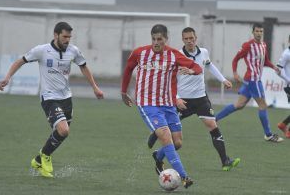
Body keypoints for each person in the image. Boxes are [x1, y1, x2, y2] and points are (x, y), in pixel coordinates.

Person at [0, 22, 104, 178]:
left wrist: (95, 87)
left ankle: (38, 159)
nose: (67, 40)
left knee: (62, 133)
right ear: (56, 35)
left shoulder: (73, 51)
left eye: (69, 37)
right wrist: (7, 77)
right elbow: (20, 60)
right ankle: (46, 157)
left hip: (66, 97)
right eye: (64, 36)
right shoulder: (42, 50)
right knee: (63, 130)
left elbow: (83, 66)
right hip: (49, 97)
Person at [147, 27, 240, 171]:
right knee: (171, 134)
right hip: (182, 100)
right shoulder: (176, 55)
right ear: (182, 40)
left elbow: (209, 66)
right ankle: (156, 137)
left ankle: (225, 161)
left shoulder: (203, 52)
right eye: (186, 39)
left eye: (192, 38)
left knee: (213, 126)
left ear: (196, 38)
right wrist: (176, 98)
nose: (189, 41)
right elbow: (169, 79)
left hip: (201, 99)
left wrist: (223, 80)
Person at [121, 24, 202, 188]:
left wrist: (192, 71)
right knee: (166, 137)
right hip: (147, 103)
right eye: (154, 39)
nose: (156, 43)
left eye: (160, 39)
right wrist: (123, 91)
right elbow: (128, 69)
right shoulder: (140, 53)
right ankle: (185, 177)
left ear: (166, 39)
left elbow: (198, 67)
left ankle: (158, 157)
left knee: (177, 142)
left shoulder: (174, 55)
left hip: (167, 104)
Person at [215, 23, 283, 143]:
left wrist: (274, 67)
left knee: (239, 105)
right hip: (253, 80)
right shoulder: (248, 45)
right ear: (253, 32)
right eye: (257, 31)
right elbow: (236, 59)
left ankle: (214, 119)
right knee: (263, 105)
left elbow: (265, 61)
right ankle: (268, 134)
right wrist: (235, 73)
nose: (259, 33)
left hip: (254, 80)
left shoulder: (263, 45)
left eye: (261, 31)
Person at [277, 35, 290, 138]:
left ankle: (283, 125)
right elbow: (278, 70)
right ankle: (286, 128)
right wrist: (288, 80)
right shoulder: (286, 54)